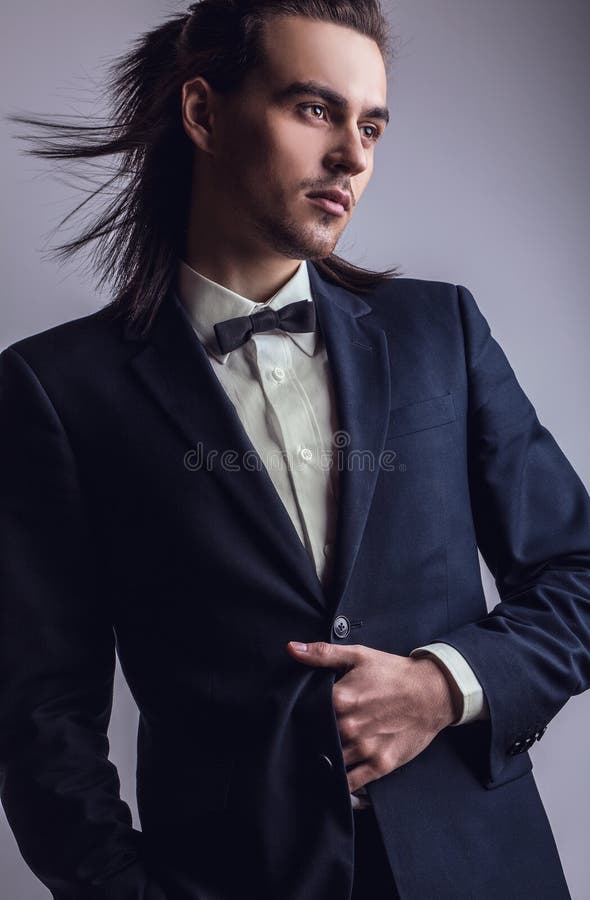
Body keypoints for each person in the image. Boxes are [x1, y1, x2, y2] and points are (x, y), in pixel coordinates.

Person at [1, 2, 588, 898]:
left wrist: (446, 683)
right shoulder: (58, 390)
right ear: (203, 114)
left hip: (484, 872)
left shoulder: (443, 332)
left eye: (372, 125)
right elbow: (43, 715)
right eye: (315, 109)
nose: (354, 155)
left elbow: (578, 572)